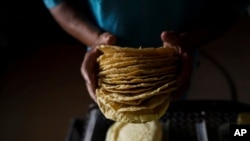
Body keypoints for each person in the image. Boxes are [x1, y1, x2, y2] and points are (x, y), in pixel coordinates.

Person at [43, 0, 249, 102]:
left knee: (168, 118)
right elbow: (57, 3)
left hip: (174, 69)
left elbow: (232, 5)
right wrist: (96, 40)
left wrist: (188, 40)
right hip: (108, 71)